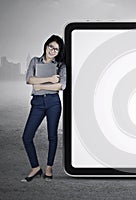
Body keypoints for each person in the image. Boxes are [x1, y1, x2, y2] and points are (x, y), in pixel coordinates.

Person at [21, 35, 66, 182]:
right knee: (27, 137)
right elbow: (29, 79)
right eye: (51, 47)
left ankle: (49, 168)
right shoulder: (35, 61)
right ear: (46, 46)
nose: (52, 51)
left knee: (52, 136)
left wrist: (40, 85)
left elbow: (61, 86)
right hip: (38, 103)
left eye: (56, 49)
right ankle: (35, 167)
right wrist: (50, 80)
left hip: (53, 102)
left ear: (59, 52)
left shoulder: (61, 66)